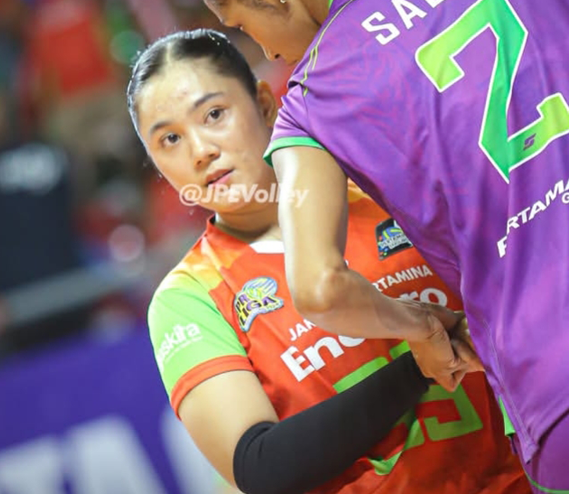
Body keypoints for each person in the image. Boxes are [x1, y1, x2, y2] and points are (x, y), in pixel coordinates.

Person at [127, 29, 529, 494]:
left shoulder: (389, 189)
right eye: (170, 139)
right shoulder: (188, 297)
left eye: (214, 114)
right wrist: (416, 369)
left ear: (264, 104)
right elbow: (262, 466)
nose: (201, 151)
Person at [201, 0, 569, 490]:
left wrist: (425, 327)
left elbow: (319, 288)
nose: (266, 50)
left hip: (548, 372)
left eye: (243, 25)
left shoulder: (312, 101)